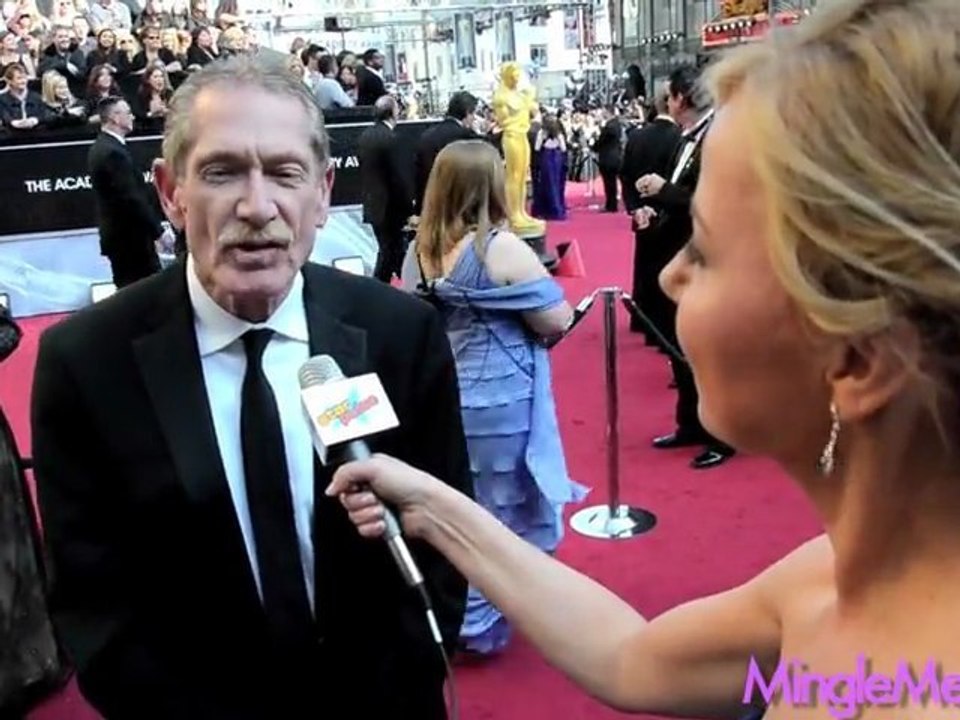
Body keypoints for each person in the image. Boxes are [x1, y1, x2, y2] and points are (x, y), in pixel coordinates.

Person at [331, 0, 960, 717]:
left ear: (857, 357)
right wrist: (435, 508)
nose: (670, 276)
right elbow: (634, 660)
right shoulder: (837, 576)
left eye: (707, 250)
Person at [33, 54, 469, 720]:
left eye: (284, 173)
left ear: (322, 193)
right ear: (170, 191)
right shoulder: (86, 362)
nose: (257, 206)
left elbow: (443, 543)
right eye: (221, 171)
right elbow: (94, 603)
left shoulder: (399, 333)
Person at [402, 139, 583, 657]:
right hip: (501, 400)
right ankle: (475, 625)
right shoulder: (498, 247)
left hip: (450, 398)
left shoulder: (418, 250)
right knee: (502, 513)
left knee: (466, 508)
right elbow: (557, 319)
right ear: (491, 183)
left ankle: (462, 608)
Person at [635, 65, 734, 470]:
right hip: (679, 256)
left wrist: (665, 191)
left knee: (704, 351)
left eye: (669, 96)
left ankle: (721, 434)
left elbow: (715, 203)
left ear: (680, 97)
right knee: (680, 345)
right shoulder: (686, 140)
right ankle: (691, 423)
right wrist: (652, 211)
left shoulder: (716, 138)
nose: (666, 102)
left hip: (710, 260)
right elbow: (683, 202)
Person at [620, 84, 682, 339]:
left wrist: (635, 207)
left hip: (642, 211)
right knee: (667, 264)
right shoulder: (680, 138)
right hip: (669, 211)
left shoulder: (637, 136)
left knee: (643, 263)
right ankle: (661, 324)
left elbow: (625, 174)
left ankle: (641, 317)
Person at [87, 96, 166, 288]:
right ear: (115, 117)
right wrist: (158, 230)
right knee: (143, 292)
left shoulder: (106, 146)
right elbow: (131, 197)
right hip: (130, 239)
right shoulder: (112, 152)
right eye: (128, 113)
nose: (132, 117)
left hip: (125, 237)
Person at [357, 95, 414, 282]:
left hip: (373, 205)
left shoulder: (365, 136)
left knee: (390, 250)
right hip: (391, 208)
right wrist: (408, 207)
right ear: (393, 112)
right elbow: (398, 177)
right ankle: (381, 286)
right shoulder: (391, 139)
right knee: (390, 251)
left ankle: (401, 282)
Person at [412, 90, 479, 216]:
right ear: (467, 112)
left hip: (428, 204)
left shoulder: (427, 135)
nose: (475, 118)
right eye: (473, 113)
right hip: (455, 206)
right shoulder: (463, 135)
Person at [531, 114, 568, 221]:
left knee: (545, 184)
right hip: (557, 158)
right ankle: (557, 209)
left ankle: (545, 210)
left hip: (545, 158)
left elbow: (537, 148)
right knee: (556, 184)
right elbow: (563, 148)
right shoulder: (559, 134)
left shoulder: (541, 134)